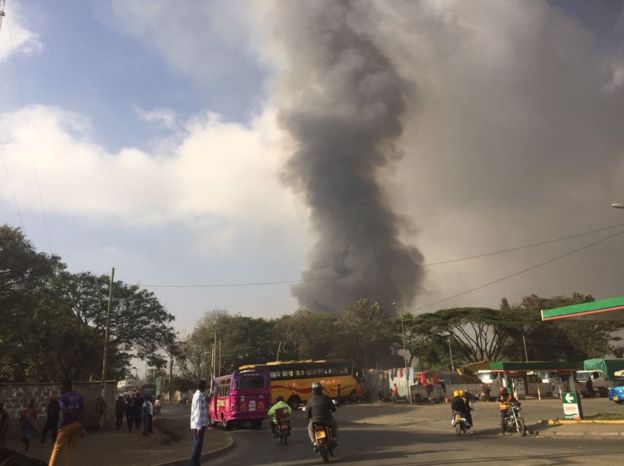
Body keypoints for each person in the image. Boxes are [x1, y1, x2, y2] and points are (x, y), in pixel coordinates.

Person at [48, 380, 85, 466]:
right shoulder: (80, 396)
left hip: (67, 425)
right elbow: (83, 412)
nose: (61, 388)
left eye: (62, 386)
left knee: (57, 448)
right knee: (70, 450)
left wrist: (62, 425)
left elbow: (64, 411)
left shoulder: (63, 397)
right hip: (78, 425)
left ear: (67, 386)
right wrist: (82, 427)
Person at [305, 382, 337, 448]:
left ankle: (314, 442)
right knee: (334, 423)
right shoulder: (326, 398)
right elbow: (333, 408)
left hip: (315, 421)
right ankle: (334, 438)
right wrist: (332, 410)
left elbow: (307, 412)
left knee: (310, 428)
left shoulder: (310, 400)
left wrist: (308, 416)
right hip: (327, 419)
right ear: (321, 389)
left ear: (312, 390)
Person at [187, 380, 208, 466]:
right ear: (202, 387)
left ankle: (196, 463)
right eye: (205, 386)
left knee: (198, 446)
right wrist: (199, 426)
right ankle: (192, 464)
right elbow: (197, 412)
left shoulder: (200, 395)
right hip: (198, 425)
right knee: (197, 445)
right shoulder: (198, 396)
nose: (205, 388)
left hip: (201, 424)